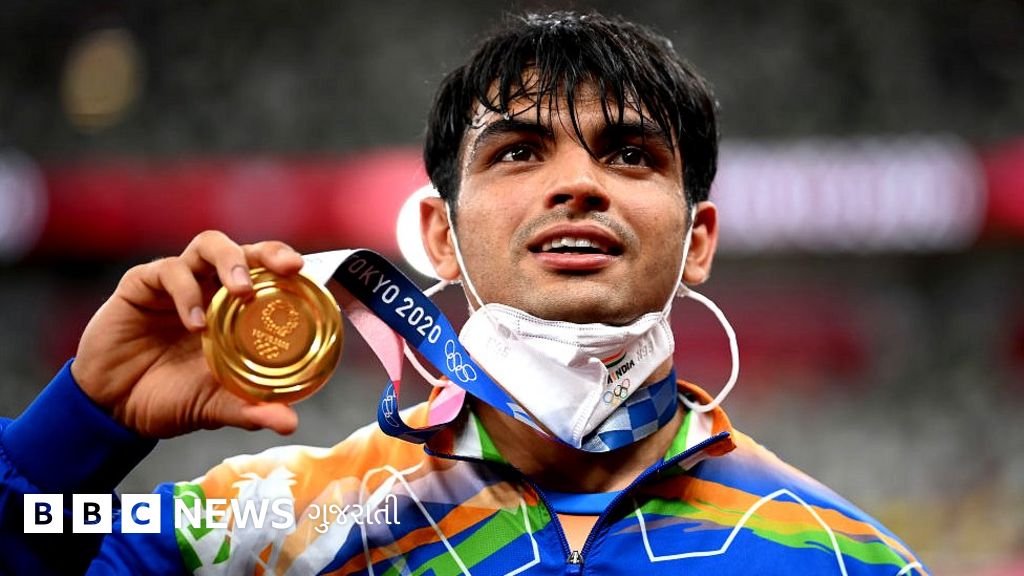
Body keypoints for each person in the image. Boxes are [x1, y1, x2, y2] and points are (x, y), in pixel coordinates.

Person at [0, 11, 928, 575]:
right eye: (519, 151)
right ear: (438, 235)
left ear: (700, 241)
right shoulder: (270, 523)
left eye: (629, 154)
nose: (579, 185)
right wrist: (80, 424)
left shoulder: (845, 557)